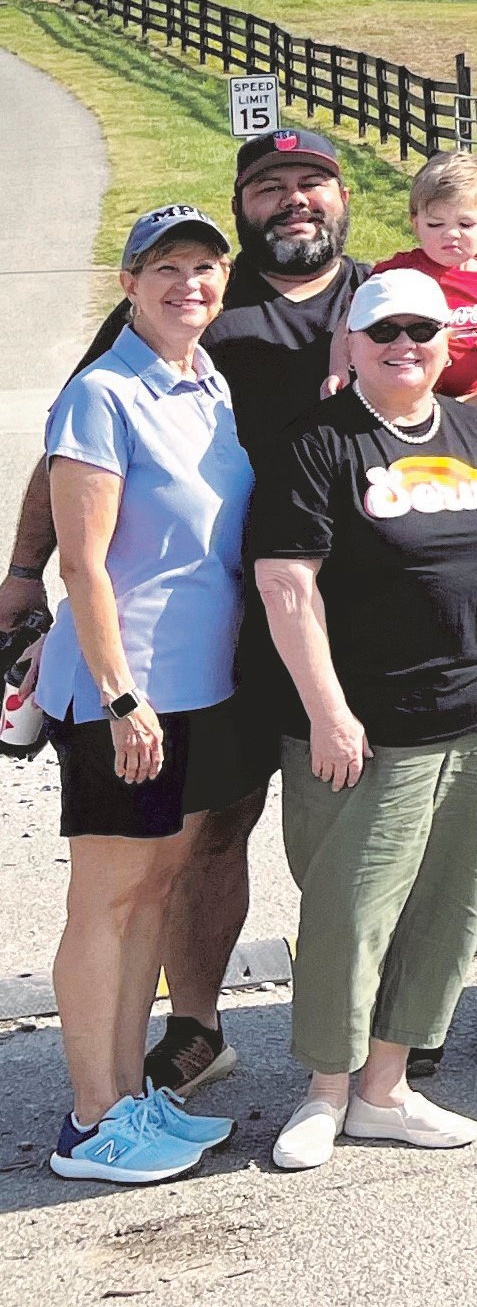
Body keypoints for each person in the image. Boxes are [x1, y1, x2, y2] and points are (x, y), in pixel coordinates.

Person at [5, 129, 408, 1101]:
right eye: (270, 187)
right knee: (206, 833)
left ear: (343, 195)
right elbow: (72, 459)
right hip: (214, 632)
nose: (294, 200)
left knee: (368, 829)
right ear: (243, 212)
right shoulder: (177, 323)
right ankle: (194, 1029)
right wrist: (26, 571)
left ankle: (373, 1032)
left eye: (311, 181)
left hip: (354, 617)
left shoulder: (388, 303)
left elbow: (471, 408)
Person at [249, 269, 477, 1168]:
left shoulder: (475, 430)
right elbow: (285, 583)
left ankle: (386, 1086)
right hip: (371, 727)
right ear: (351, 341)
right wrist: (328, 712)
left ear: (448, 340)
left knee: (449, 909)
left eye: (423, 329)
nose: (405, 344)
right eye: (385, 330)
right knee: (351, 907)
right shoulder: (319, 443)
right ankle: (323, 1092)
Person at [37, 205, 248, 1185]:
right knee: (109, 902)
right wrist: (121, 697)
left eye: (204, 267)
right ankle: (91, 1119)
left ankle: (128, 1093)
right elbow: (83, 563)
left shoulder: (204, 385)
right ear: (129, 284)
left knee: (156, 891)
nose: (188, 285)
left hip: (199, 691)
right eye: (166, 268)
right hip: (128, 699)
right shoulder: (103, 394)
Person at [326, 152, 477, 438]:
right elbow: (350, 322)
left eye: (465, 224)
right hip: (399, 393)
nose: (451, 234)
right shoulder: (397, 272)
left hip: (468, 396)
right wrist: (338, 368)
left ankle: (447, 423)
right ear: (416, 224)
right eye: (436, 224)